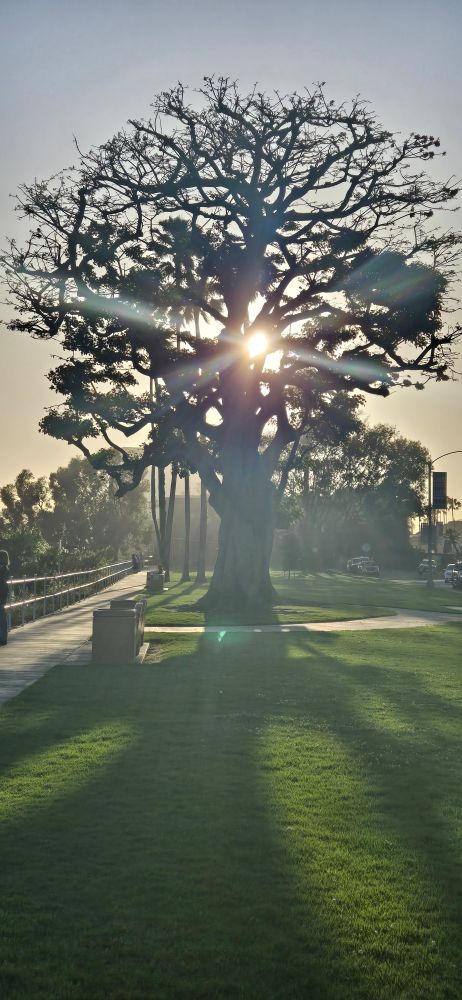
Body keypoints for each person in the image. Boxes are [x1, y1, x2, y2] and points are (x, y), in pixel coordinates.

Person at [0, 550, 10, 646]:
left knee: (1, 616)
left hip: (1, 594)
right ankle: (3, 637)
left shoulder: (2, 569)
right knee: (2, 615)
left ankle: (2, 638)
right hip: (3, 594)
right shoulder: (5, 569)